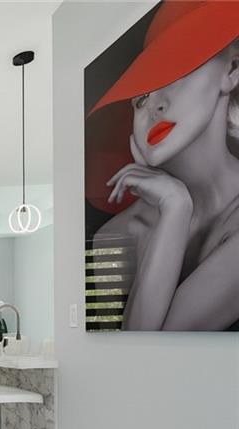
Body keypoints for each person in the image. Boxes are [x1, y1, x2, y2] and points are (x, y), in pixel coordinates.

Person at [88, 1, 239, 331]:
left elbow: (152, 344)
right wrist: (175, 205)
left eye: (177, 70)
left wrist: (175, 207)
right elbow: (129, 358)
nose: (154, 103)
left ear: (231, 70)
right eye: (139, 99)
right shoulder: (111, 237)